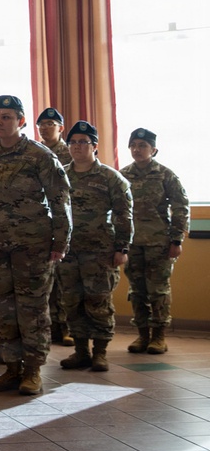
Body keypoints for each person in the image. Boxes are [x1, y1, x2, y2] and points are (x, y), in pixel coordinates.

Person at [0, 95, 71, 396]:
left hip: (32, 247)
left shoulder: (39, 155)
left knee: (32, 309)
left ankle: (33, 370)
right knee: (3, 309)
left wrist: (60, 242)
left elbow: (60, 201)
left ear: (21, 121)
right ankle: (11, 367)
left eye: (7, 117)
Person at [58, 121, 133, 372]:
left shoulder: (110, 178)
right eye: (73, 142)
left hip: (100, 252)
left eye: (83, 142)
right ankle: (81, 352)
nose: (77, 147)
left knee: (98, 302)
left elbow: (124, 214)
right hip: (67, 252)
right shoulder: (60, 176)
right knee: (71, 301)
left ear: (95, 146)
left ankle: (100, 353)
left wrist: (122, 247)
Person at [120, 128, 190, 354]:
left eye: (142, 145)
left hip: (159, 242)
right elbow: (116, 210)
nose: (137, 149)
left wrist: (176, 239)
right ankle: (142, 335)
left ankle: (158, 336)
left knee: (158, 291)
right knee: (137, 290)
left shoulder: (165, 175)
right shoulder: (122, 175)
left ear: (154, 150)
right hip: (132, 243)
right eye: (133, 145)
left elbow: (180, 207)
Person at [37, 108, 74, 347]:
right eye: (42, 124)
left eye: (50, 123)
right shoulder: (35, 152)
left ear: (61, 128)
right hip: (42, 224)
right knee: (46, 282)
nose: (45, 128)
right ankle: (49, 328)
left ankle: (66, 327)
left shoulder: (71, 152)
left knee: (65, 281)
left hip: (65, 221)